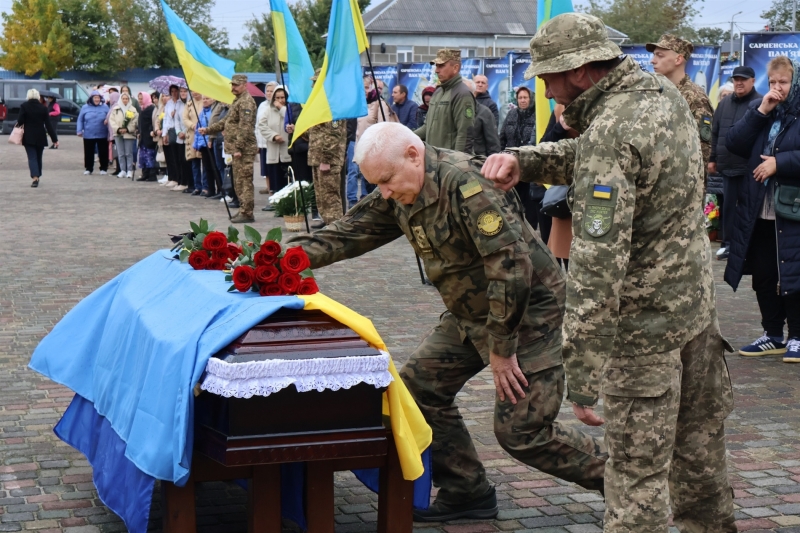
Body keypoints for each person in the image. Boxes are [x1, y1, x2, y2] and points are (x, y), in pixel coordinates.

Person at [482, 13, 736, 532]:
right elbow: (604, 155)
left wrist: (582, 376)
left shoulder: (612, 127)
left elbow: (597, 269)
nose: (547, 89)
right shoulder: (659, 94)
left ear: (579, 71)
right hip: (695, 318)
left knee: (635, 484)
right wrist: (526, 160)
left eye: (549, 76)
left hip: (643, 337)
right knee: (700, 462)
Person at [286, 122, 606, 522]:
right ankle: (467, 491)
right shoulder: (397, 190)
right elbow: (347, 233)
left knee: (522, 433)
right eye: (376, 184)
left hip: (527, 318)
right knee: (418, 391)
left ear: (413, 155)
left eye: (385, 180)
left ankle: (623, 481)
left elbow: (511, 268)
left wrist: (502, 352)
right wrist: (274, 261)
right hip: (471, 316)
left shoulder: (467, 185)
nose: (383, 193)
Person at [725, 56, 800, 363]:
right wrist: (761, 110)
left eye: (783, 82)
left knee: (793, 274)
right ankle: (772, 334)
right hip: (759, 208)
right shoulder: (764, 111)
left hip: (793, 210)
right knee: (764, 275)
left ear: (794, 83)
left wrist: (778, 163)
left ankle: (797, 336)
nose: (777, 88)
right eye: (772, 82)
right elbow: (735, 143)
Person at [711, 66, 762, 261]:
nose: (739, 83)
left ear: (753, 81)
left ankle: (749, 246)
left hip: (750, 167)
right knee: (729, 207)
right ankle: (727, 245)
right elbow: (715, 132)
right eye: (736, 79)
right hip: (727, 166)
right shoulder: (724, 104)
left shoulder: (761, 102)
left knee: (750, 208)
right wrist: (712, 158)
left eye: (743, 79)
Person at [648, 34, 714, 176]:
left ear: (678, 59)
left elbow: (704, 150)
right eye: (654, 55)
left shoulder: (695, 98)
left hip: (682, 184)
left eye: (660, 56)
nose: (653, 61)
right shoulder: (657, 92)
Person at [201, 74, 258, 223]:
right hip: (236, 149)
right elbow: (224, 122)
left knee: (244, 181)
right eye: (232, 85)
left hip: (243, 150)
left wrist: (238, 147)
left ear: (244, 85)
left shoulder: (246, 102)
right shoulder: (237, 101)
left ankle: (247, 212)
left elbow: (245, 128)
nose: (233, 87)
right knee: (238, 181)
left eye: (236, 85)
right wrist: (208, 130)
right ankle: (243, 210)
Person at [307, 69, 347, 227]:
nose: (312, 85)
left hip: (327, 159)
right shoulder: (321, 103)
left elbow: (333, 135)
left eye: (316, 82)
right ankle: (327, 221)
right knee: (321, 194)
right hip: (317, 156)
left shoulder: (333, 103)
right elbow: (317, 131)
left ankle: (335, 226)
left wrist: (326, 159)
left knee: (330, 194)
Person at [414, 49, 475, 152]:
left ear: (455, 68)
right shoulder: (438, 93)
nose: (436, 70)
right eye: (436, 66)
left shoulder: (462, 94)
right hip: (434, 161)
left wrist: (458, 164)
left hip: (450, 163)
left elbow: (465, 135)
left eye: (441, 66)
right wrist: (405, 136)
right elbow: (427, 127)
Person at [500, 86, 540, 229]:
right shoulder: (511, 114)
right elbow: (502, 137)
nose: (522, 100)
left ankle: (530, 230)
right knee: (512, 198)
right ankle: (514, 227)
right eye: (520, 98)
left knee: (529, 201)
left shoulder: (537, 115)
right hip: (511, 164)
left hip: (528, 165)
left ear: (531, 99)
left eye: (525, 97)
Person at [17, 88, 58, 187]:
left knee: (32, 157)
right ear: (37, 96)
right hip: (40, 135)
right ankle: (38, 175)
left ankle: (35, 177)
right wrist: (54, 139)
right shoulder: (43, 108)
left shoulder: (24, 106)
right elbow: (48, 125)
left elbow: (20, 121)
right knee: (38, 157)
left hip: (28, 136)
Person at [257, 85, 291, 198]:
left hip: (287, 151)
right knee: (275, 178)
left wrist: (282, 108)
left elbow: (289, 118)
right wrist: (273, 136)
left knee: (287, 179)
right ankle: (276, 200)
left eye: (283, 97)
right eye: (277, 97)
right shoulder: (268, 110)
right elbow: (262, 126)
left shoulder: (289, 109)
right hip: (273, 150)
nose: (280, 100)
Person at [463, 79, 500, 157]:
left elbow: (493, 143)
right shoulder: (451, 110)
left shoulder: (485, 112)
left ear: (473, 94)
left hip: (476, 161)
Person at [77, 90, 110, 175]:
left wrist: (107, 121)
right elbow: (80, 120)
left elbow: (110, 117)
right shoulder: (85, 107)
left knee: (103, 151)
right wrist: (79, 130)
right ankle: (89, 168)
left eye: (98, 98)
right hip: (88, 133)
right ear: (91, 98)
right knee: (88, 152)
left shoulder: (105, 107)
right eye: (95, 98)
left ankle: (103, 168)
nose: (97, 99)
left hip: (102, 133)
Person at [109, 92, 139, 179]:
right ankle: (123, 170)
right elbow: (112, 120)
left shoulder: (133, 109)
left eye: (126, 99)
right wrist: (118, 129)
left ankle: (129, 170)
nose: (125, 100)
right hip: (118, 134)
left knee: (128, 153)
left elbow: (135, 121)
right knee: (120, 153)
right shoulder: (116, 109)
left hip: (129, 134)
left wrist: (127, 129)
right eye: (123, 99)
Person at [257, 81, 278, 196]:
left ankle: (273, 189)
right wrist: (257, 142)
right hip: (262, 142)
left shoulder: (278, 105)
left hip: (273, 141)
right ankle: (268, 186)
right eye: (267, 91)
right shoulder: (262, 105)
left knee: (272, 167)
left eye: (271, 91)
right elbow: (257, 124)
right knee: (265, 169)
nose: (269, 93)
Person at [182, 91, 206, 195]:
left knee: (204, 162)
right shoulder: (189, 104)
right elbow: (185, 118)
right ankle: (197, 186)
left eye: (196, 91)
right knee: (194, 162)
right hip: (192, 134)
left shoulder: (205, 101)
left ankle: (206, 186)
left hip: (204, 133)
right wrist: (192, 125)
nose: (194, 93)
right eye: (192, 91)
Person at [136, 92, 158, 182]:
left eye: (141, 99)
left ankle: (152, 175)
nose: (140, 101)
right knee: (143, 156)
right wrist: (138, 131)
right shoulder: (142, 109)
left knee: (150, 156)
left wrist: (151, 131)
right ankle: (145, 174)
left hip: (149, 136)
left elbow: (152, 122)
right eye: (139, 99)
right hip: (143, 136)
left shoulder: (151, 108)